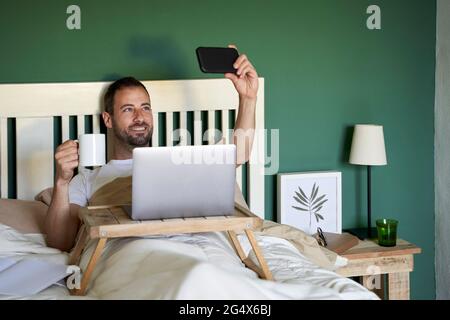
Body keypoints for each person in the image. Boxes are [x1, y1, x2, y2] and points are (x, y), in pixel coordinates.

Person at [45, 45, 259, 252]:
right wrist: (61, 182)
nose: (140, 117)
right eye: (128, 109)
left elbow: (239, 154)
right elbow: (60, 242)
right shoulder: (87, 180)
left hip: (198, 250)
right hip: (136, 254)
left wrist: (248, 98)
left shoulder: (181, 161)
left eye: (145, 108)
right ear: (108, 119)